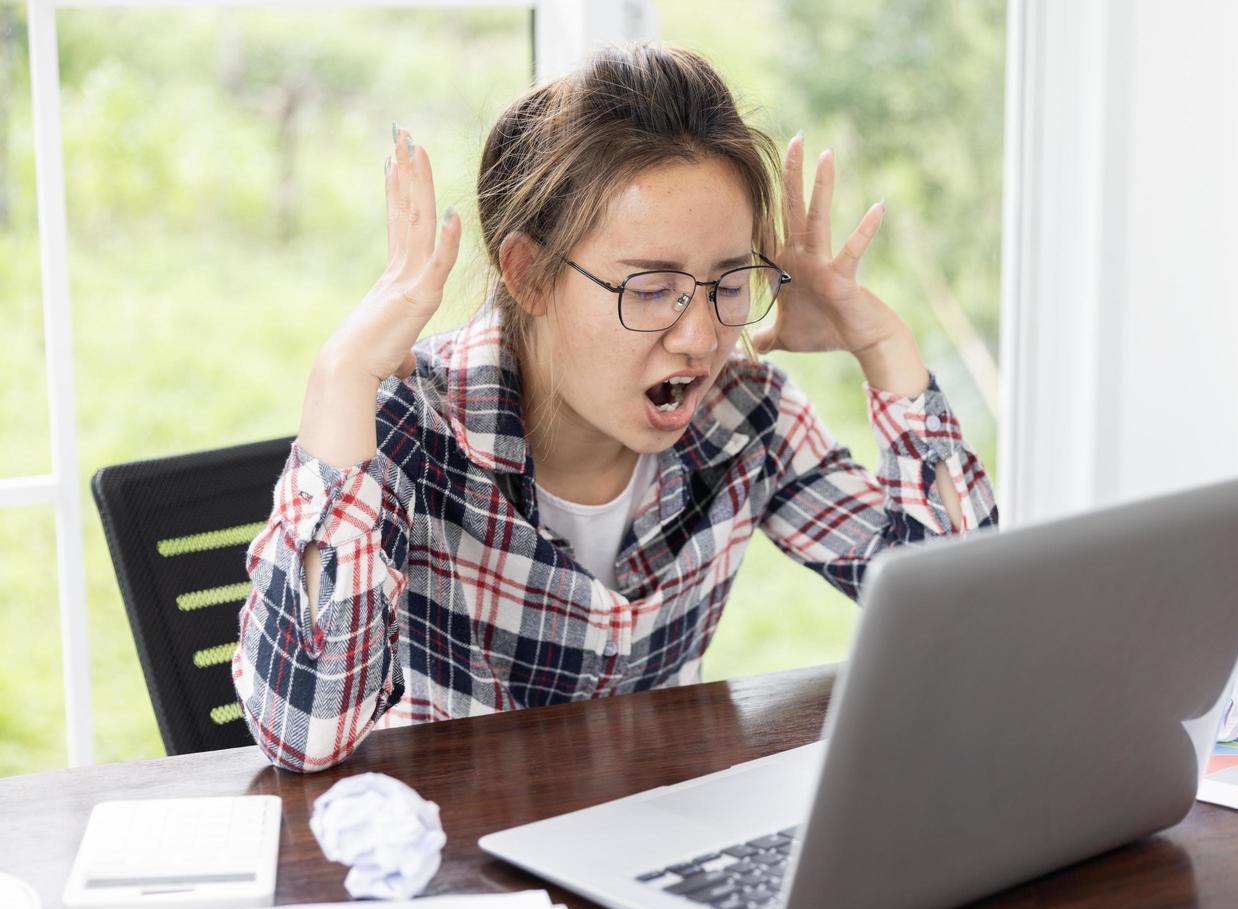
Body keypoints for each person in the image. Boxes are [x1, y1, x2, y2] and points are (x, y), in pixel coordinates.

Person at [233, 43, 999, 773]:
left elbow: (968, 625)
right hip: (454, 874)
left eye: (730, 283)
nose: (700, 337)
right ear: (530, 275)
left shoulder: (746, 418)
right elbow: (304, 736)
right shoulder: (409, 428)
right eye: (651, 287)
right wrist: (341, 375)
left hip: (649, 850)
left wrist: (884, 346)